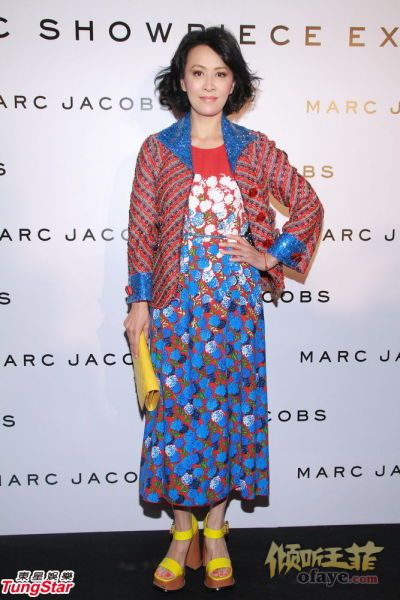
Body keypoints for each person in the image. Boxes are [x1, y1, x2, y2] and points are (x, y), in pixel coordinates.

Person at [123, 26, 324, 592]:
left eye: (220, 73)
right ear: (181, 81)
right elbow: (142, 232)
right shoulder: (157, 150)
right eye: (198, 73)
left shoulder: (254, 149)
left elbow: (308, 206)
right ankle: (180, 532)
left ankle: (215, 532)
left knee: (226, 419)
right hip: (174, 309)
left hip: (235, 313)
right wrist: (139, 301)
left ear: (234, 83)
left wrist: (270, 255)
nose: (208, 84)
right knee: (175, 421)